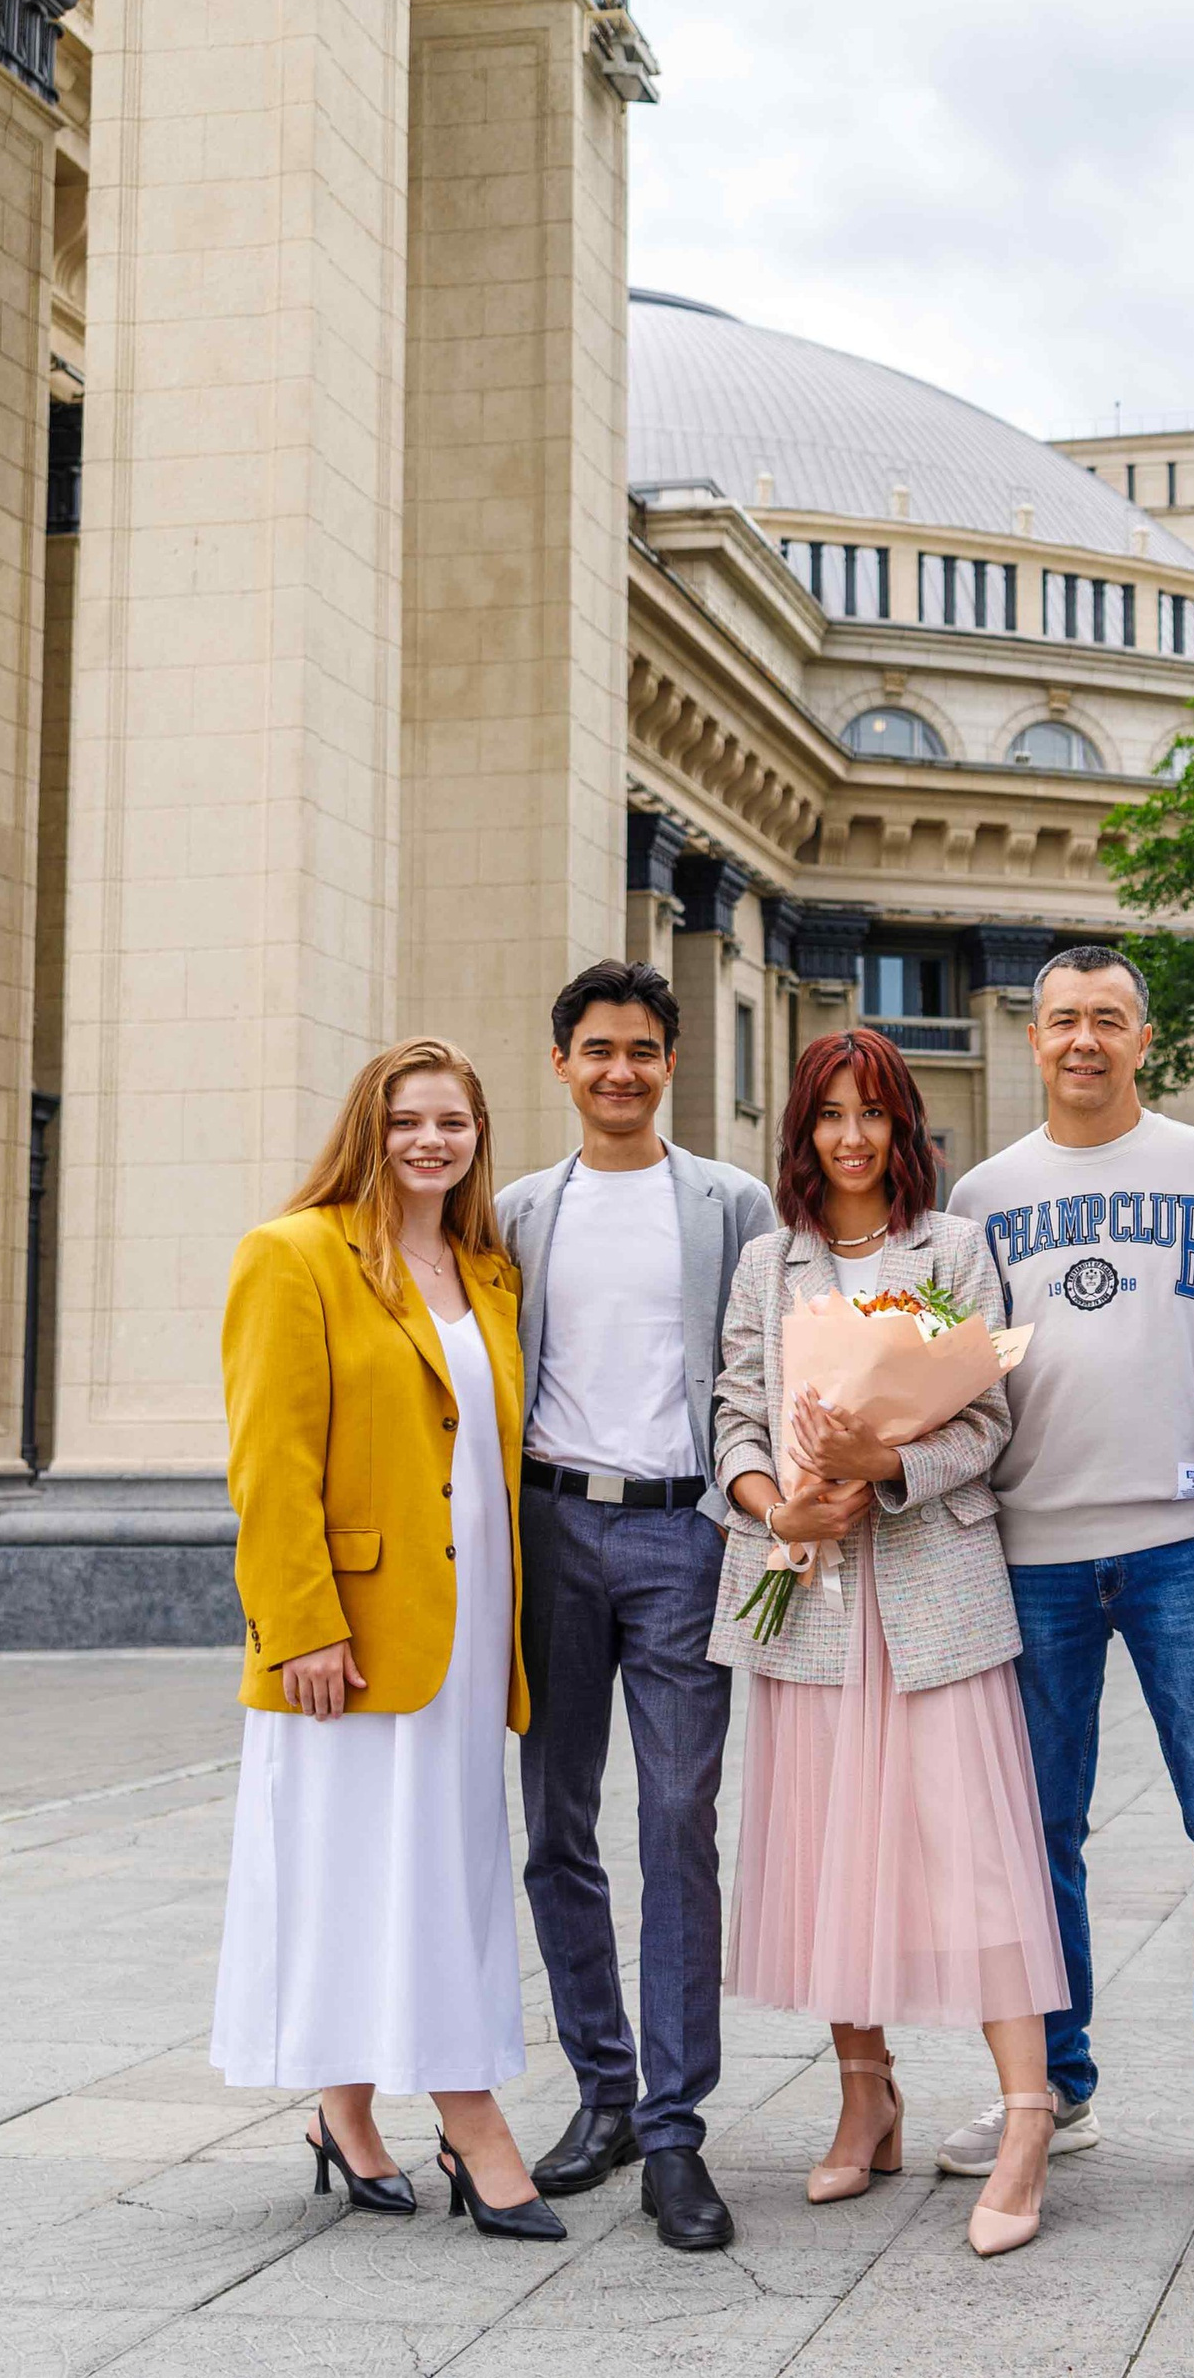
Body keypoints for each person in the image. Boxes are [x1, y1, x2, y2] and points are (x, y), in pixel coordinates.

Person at [944, 945, 1194, 2199]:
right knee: (1037, 1831)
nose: (1082, 1039)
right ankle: (1056, 2084)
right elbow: (957, 1379)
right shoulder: (982, 1193)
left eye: (1107, 1018)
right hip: (1030, 1547)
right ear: (1030, 1037)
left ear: (1144, 1037)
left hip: (1184, 1545)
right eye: (1060, 1020)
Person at [711, 1027, 1069, 2258]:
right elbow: (738, 1413)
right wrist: (781, 1503)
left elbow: (985, 1414)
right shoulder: (770, 1260)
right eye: (829, 1114)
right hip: (811, 1594)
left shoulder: (953, 1247)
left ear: (901, 1125)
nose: (851, 1135)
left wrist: (891, 1462)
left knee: (970, 1851)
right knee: (831, 1852)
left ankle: (1027, 2112)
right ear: (802, 1131)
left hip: (932, 1594)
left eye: (871, 1112)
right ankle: (865, 2094)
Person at [211, 1037, 562, 2241]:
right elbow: (267, 1461)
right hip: (350, 1636)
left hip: (466, 1633)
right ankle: (473, 2119)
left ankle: (343, 2113)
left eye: (453, 1122)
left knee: (432, 1862)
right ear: (370, 1126)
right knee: (361, 1866)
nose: (431, 1141)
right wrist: (300, 1621)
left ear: (477, 1135)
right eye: (408, 1119)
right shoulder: (293, 1253)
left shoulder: (486, 1269)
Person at [495, 961, 776, 2252]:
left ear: (672, 1062)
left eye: (645, 1049)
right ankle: (600, 2092)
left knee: (678, 1819)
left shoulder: (730, 1200)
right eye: (599, 1047)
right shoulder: (513, 1211)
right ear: (561, 1061)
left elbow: (763, 1364)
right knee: (556, 1819)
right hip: (549, 1524)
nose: (622, 1068)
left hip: (682, 1525)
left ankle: (674, 2128)